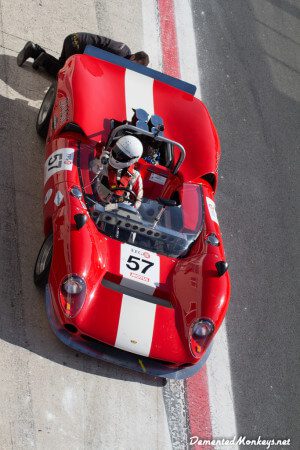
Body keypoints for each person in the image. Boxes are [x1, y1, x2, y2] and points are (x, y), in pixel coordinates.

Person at [17, 32, 149, 77]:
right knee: (65, 75)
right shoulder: (120, 55)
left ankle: (35, 51)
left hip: (74, 40)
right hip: (77, 45)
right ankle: (41, 57)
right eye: (135, 65)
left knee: (61, 66)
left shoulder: (124, 51)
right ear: (133, 57)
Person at [91, 135, 144, 208]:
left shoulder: (135, 176)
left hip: (116, 210)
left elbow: (138, 200)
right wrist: (100, 163)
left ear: (132, 160)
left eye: (122, 156)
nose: (117, 156)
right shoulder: (104, 158)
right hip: (92, 200)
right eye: (117, 151)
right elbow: (89, 171)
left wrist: (124, 208)